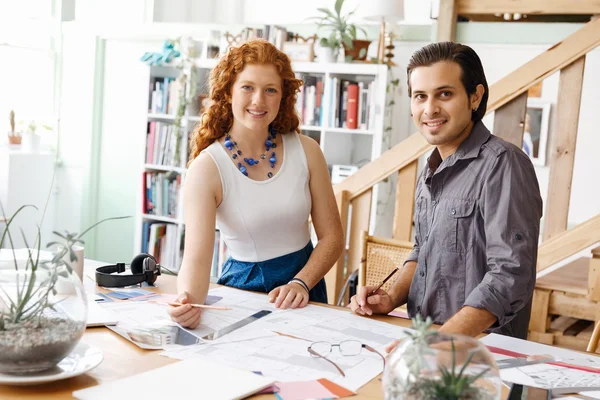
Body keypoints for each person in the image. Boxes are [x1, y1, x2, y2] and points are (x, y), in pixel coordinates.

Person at [350, 42, 543, 341]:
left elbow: (509, 275)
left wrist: (441, 340)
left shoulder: (504, 165)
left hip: (480, 353)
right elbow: (422, 250)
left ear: (475, 96)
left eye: (445, 94)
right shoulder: (431, 168)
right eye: (420, 96)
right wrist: (391, 298)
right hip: (425, 339)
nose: (430, 109)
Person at [169, 40, 344, 329]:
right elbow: (197, 259)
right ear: (228, 92)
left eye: (270, 89)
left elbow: (333, 237)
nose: (258, 101)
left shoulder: (308, 150)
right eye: (247, 87)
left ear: (282, 97)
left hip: (305, 288)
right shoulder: (206, 168)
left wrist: (301, 282)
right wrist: (186, 302)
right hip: (243, 290)